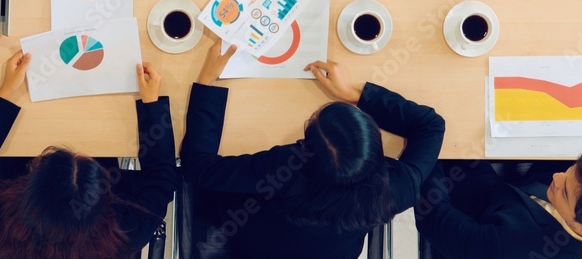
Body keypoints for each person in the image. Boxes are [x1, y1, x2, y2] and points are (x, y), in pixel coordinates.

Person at [179, 44, 445, 258]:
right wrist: (354, 94)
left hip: (252, 244)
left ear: (305, 150)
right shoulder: (399, 187)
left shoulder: (282, 170)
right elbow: (430, 125)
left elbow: (198, 167)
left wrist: (206, 82)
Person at [0, 50, 176, 258]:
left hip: (22, 144)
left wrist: (5, 92)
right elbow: (162, 179)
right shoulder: (124, 236)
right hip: (101, 129)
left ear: (27, 191)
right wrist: (151, 105)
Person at [415, 152, 582, 258]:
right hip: (530, 191)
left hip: (491, 209)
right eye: (573, 169)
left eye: (566, 190)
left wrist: (425, 153)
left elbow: (434, 217)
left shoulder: (509, 245)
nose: (558, 177)